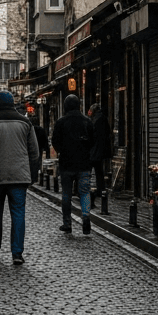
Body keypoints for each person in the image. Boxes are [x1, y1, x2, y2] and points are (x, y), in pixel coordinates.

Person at [0, 91, 40, 265]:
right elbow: (34, 152)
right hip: (19, 176)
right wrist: (32, 174)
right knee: (18, 214)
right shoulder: (25, 122)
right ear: (12, 104)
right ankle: (17, 252)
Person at [51, 95, 94, 235]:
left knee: (66, 194)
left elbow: (55, 141)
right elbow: (93, 141)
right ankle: (86, 216)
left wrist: (62, 151)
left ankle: (67, 223)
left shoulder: (61, 122)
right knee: (85, 192)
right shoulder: (87, 121)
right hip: (84, 163)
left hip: (67, 164)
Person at [89, 102, 114, 210]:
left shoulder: (97, 120)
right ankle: (100, 189)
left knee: (92, 170)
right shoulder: (102, 118)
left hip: (95, 149)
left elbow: (93, 134)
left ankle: (92, 191)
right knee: (99, 171)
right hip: (100, 149)